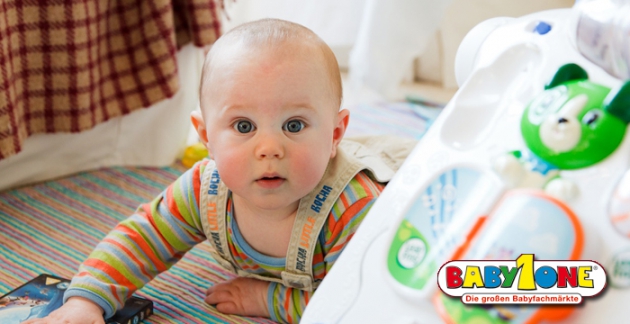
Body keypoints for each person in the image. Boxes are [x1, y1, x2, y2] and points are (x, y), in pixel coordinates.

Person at [23, 18, 414, 324]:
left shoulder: (354, 209)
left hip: (412, 188)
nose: (269, 149)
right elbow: (141, 237)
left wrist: (266, 299)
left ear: (334, 135)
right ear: (206, 136)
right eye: (243, 127)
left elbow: (362, 303)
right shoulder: (203, 189)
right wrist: (84, 300)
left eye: (294, 125)